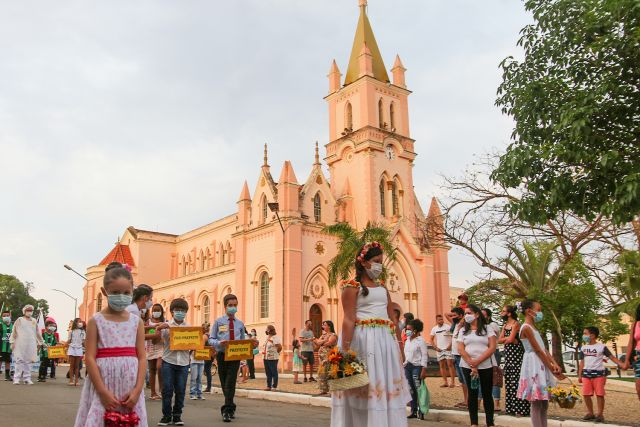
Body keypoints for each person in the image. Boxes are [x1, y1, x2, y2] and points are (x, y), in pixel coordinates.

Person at [331, 242, 411, 427]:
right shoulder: (352, 287)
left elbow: (392, 317)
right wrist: (345, 351)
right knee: (363, 386)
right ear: (364, 262)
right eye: (376, 261)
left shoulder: (383, 288)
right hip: (363, 341)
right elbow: (349, 319)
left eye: (381, 261)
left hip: (384, 342)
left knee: (384, 383)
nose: (379, 265)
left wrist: (399, 345)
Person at [73, 265, 147, 427]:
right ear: (104, 291)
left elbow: (142, 357)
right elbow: (90, 358)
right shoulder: (96, 321)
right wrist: (102, 391)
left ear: (132, 292)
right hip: (103, 383)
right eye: (115, 292)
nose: (121, 297)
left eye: (126, 293)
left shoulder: (137, 322)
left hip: (130, 385)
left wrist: (137, 390)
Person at [517, 299, 565, 427]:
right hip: (534, 364)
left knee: (544, 403)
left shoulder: (534, 327)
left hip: (541, 363)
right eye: (538, 310)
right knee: (537, 402)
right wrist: (551, 367)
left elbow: (543, 348)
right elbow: (537, 350)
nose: (540, 313)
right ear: (528, 311)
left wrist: (555, 363)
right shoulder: (526, 327)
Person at [209, 293, 256, 423]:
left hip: (234, 357)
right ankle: (231, 405)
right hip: (222, 355)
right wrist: (219, 343)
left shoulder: (240, 324)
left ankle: (227, 411)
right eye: (230, 305)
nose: (233, 308)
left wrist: (251, 343)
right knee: (224, 383)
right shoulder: (218, 322)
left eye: (235, 305)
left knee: (230, 382)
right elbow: (211, 339)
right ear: (225, 306)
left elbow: (243, 340)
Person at [458, 304, 497, 427]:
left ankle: (490, 422)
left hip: (485, 365)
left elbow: (492, 347)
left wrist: (478, 361)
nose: (466, 316)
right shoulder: (463, 330)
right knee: (472, 393)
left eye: (469, 313)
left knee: (487, 393)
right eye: (465, 313)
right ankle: (474, 422)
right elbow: (460, 348)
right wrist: (471, 362)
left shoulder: (487, 328)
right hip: (467, 366)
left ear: (477, 314)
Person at [156, 298, 190, 426]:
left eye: (182, 310)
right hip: (168, 362)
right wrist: (159, 329)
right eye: (177, 310)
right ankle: (166, 416)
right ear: (171, 312)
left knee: (180, 390)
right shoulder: (166, 326)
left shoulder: (189, 328)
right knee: (167, 390)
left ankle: (177, 415)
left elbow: (194, 344)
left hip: (184, 363)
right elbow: (157, 340)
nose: (180, 312)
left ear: (186, 312)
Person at [578, 326, 623, 423]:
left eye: (585, 333)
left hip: (599, 375)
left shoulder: (602, 347)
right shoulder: (583, 347)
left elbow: (611, 357)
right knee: (586, 394)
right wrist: (579, 375)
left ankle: (600, 414)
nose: (584, 335)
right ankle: (590, 413)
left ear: (592, 335)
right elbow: (582, 361)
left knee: (599, 394)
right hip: (586, 374)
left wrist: (621, 364)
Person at [498, 305, 529, 417]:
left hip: (516, 356)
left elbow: (510, 339)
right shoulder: (505, 325)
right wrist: (508, 340)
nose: (501, 313)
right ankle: (511, 407)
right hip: (508, 356)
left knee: (517, 382)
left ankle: (520, 409)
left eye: (503, 311)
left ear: (509, 313)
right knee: (509, 382)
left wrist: (507, 340)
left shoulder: (516, 324)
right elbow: (500, 340)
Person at [9, 304, 43, 385]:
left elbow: (37, 332)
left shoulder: (34, 321)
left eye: (31, 310)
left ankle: (27, 378)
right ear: (24, 311)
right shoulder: (19, 320)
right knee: (19, 360)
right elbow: (14, 331)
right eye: (28, 310)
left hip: (30, 343)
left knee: (28, 361)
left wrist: (40, 342)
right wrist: (12, 342)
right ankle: (16, 379)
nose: (29, 312)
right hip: (20, 343)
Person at [404, 318, 429, 420]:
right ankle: (413, 411)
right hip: (408, 366)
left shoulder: (421, 341)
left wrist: (424, 369)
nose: (407, 331)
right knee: (411, 390)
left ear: (415, 330)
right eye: (406, 329)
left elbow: (424, 355)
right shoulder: (407, 341)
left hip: (417, 367)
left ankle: (421, 410)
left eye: (409, 329)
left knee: (418, 389)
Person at [480, 308, 502, 412]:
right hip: (482, 352)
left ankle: (496, 403)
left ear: (488, 316)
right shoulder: (479, 326)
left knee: (494, 377)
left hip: (493, 352)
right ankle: (479, 402)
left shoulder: (492, 325)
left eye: (483, 315)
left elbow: (494, 339)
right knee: (479, 378)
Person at [448, 307, 468, 408]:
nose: (452, 317)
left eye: (455, 315)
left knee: (466, 379)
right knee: (461, 380)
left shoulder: (464, 325)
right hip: (455, 354)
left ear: (461, 315)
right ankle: (466, 400)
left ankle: (469, 401)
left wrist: (463, 319)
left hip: (462, 355)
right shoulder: (455, 325)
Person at [430, 314, 455, 388]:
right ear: (436, 320)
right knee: (442, 366)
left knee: (450, 365)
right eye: (439, 319)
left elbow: (453, 336)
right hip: (439, 350)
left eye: (442, 319)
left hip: (447, 349)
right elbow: (431, 339)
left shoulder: (447, 327)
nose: (441, 321)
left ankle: (452, 382)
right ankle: (445, 382)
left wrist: (450, 346)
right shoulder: (434, 329)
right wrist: (435, 347)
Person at [622, 303, 640, 403]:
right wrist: (626, 360)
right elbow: (630, 344)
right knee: (638, 388)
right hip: (638, 358)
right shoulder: (635, 324)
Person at [314, 320, 338, 394]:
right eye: (323, 325)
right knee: (322, 373)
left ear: (329, 326)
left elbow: (328, 343)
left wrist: (322, 341)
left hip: (330, 357)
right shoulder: (324, 335)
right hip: (321, 358)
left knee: (329, 372)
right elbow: (318, 343)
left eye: (324, 325)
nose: (323, 326)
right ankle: (323, 390)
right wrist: (323, 340)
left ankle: (332, 391)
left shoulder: (333, 335)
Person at [147, 303, 164, 400]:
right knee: (152, 370)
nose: (156, 312)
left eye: (158, 310)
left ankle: (162, 390)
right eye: (154, 310)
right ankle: (153, 393)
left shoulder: (164, 322)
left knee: (160, 367)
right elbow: (146, 333)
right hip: (150, 347)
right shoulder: (148, 322)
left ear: (161, 312)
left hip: (161, 347)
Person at [189, 326, 208, 400]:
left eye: (203, 331)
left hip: (201, 360)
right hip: (194, 360)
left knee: (200, 378)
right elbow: (190, 348)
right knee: (194, 378)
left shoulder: (204, 338)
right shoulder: (194, 339)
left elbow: (206, 348)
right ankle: (192, 394)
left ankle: (199, 394)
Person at [262, 324, 282, 391]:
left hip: (273, 358)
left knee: (274, 372)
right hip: (266, 357)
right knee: (268, 372)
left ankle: (274, 386)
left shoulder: (275, 337)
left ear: (269, 330)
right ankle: (268, 386)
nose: (266, 330)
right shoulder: (268, 338)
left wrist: (276, 353)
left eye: (267, 329)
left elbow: (279, 347)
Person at [67, 318, 86, 386]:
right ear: (75, 323)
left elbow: (83, 342)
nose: (81, 323)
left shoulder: (83, 332)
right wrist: (62, 346)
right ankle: (71, 380)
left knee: (77, 366)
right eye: (79, 321)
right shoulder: (71, 331)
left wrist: (87, 349)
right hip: (72, 348)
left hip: (79, 349)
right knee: (72, 366)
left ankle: (77, 381)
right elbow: (69, 341)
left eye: (81, 322)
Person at [1, 310, 13, 381]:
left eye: (7, 316)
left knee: (8, 361)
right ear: (2, 317)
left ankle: (7, 375)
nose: (6, 317)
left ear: (10, 316)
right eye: (4, 316)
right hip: (1, 347)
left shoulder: (13, 326)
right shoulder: (0, 325)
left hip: (9, 348)